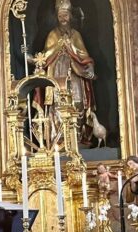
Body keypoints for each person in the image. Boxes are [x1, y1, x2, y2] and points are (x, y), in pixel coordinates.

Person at [35, 0, 96, 143]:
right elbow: (45, 56)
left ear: (70, 16)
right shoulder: (53, 34)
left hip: (75, 74)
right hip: (57, 75)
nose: (63, 19)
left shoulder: (75, 35)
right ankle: (60, 139)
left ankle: (77, 138)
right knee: (58, 105)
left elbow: (84, 55)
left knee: (78, 102)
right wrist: (36, 60)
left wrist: (90, 66)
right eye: (60, 16)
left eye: (66, 15)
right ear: (57, 16)